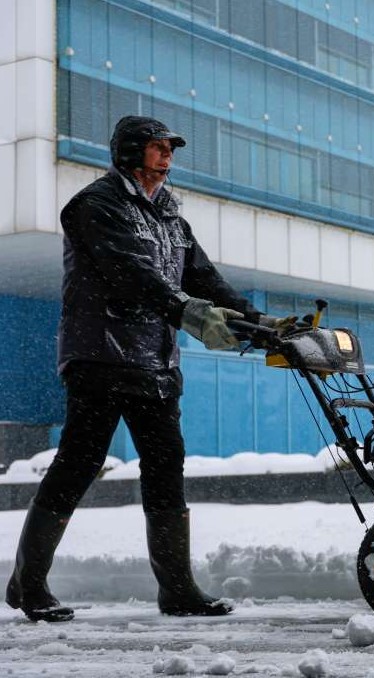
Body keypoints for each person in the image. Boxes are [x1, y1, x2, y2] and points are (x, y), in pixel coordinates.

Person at [5, 116, 295, 622]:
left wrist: (258, 321)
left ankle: (177, 590)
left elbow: (203, 278)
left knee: (166, 469)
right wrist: (185, 310)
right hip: (100, 358)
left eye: (169, 149)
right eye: (157, 148)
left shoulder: (171, 218)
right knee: (80, 463)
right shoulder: (95, 205)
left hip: (155, 365)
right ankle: (28, 583)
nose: (167, 157)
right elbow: (128, 273)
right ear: (129, 152)